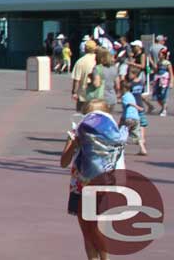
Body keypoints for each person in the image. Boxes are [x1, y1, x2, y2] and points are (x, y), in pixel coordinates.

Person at [61, 98, 126, 260]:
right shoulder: (77, 133)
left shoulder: (112, 136)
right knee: (87, 230)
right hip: (80, 186)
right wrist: (75, 142)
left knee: (97, 228)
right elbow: (63, 162)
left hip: (100, 186)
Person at [120, 76, 147, 156]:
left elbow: (129, 104)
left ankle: (120, 149)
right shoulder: (132, 95)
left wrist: (138, 107)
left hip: (128, 118)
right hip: (136, 118)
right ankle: (142, 149)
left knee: (123, 132)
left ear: (123, 89)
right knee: (137, 134)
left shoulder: (125, 96)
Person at [71, 39, 98, 113]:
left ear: (85, 49)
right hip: (97, 94)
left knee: (81, 116)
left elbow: (76, 80)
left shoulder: (80, 61)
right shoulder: (98, 60)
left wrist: (74, 92)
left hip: (83, 95)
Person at [92, 49, 120, 113]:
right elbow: (118, 86)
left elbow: (97, 84)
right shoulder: (114, 68)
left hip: (101, 97)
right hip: (112, 97)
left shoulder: (97, 68)